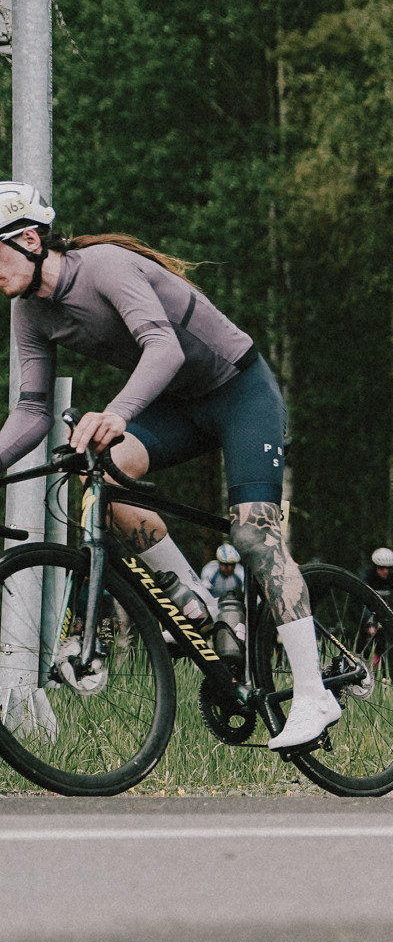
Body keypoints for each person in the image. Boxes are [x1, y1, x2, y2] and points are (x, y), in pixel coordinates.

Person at [0, 185, 344, 748]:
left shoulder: (105, 266)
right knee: (99, 482)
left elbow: (164, 347)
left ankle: (312, 694)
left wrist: (115, 413)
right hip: (177, 408)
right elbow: (32, 411)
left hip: (239, 392)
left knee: (254, 537)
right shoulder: (29, 313)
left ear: (30, 239)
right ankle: (203, 611)